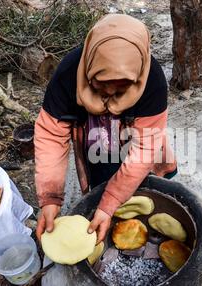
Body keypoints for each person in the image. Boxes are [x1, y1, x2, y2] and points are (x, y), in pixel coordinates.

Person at [34, 14, 177, 244]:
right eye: (101, 82)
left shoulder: (152, 80)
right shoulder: (69, 74)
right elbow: (51, 135)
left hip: (137, 137)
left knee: (145, 182)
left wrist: (111, 201)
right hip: (96, 140)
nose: (110, 92)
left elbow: (144, 149)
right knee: (103, 177)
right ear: (91, 64)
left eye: (122, 86)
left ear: (137, 75)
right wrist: (50, 198)